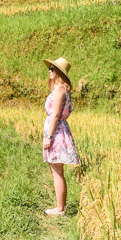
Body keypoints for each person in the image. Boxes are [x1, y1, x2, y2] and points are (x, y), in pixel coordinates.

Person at [42, 56, 79, 217]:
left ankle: (60, 209)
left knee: (57, 172)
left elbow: (56, 114)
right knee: (56, 171)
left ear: (59, 72)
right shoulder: (63, 89)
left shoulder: (59, 90)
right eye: (49, 68)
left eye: (52, 68)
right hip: (58, 130)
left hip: (56, 132)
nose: (49, 71)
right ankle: (60, 207)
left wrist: (48, 136)